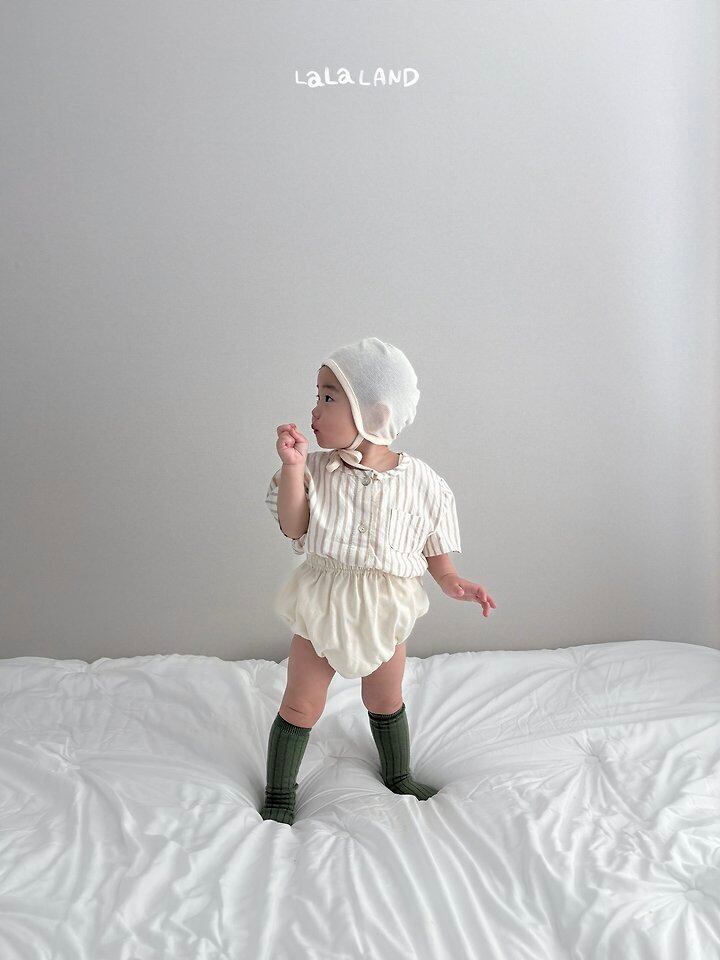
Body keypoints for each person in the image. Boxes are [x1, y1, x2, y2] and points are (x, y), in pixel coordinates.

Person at [260, 337, 496, 824]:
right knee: (301, 703)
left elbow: (433, 546)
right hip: (324, 600)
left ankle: (398, 773)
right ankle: (280, 794)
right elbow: (294, 525)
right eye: (317, 396)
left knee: (386, 698)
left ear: (373, 413)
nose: (314, 410)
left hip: (386, 606)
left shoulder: (423, 482)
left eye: (328, 397)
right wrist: (293, 468)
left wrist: (451, 580)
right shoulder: (316, 470)